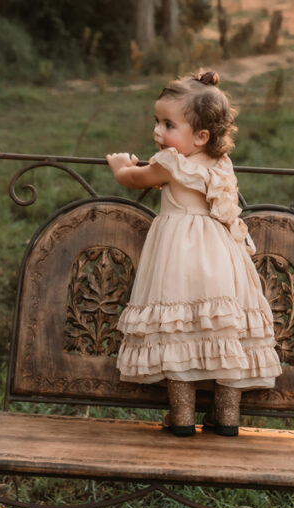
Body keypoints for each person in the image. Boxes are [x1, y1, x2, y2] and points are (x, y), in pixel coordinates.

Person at [106, 70, 282, 437]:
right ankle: (227, 418)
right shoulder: (221, 165)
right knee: (226, 332)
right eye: (156, 121)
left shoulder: (170, 164)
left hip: (179, 256)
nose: (158, 132)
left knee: (177, 331)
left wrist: (120, 166)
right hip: (221, 255)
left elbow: (135, 179)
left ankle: (183, 417)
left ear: (201, 136)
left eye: (168, 124)